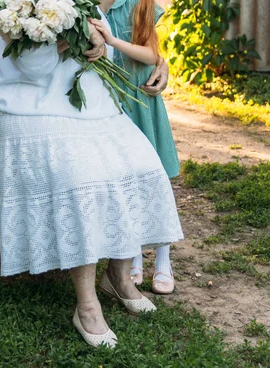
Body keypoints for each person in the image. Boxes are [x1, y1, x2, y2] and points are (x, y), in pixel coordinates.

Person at [0, 11, 183, 348]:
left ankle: (117, 277)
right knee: (81, 177)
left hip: (87, 104)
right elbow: (32, 69)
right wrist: (74, 35)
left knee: (140, 164)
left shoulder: (82, 4)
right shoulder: (13, 9)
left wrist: (101, 42)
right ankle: (87, 305)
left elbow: (109, 45)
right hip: (29, 107)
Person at [90, 0, 180, 295]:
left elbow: (153, 54)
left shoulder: (139, 4)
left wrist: (114, 41)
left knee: (154, 176)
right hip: (111, 101)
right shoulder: (87, 7)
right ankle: (134, 256)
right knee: (124, 179)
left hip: (141, 99)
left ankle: (164, 259)